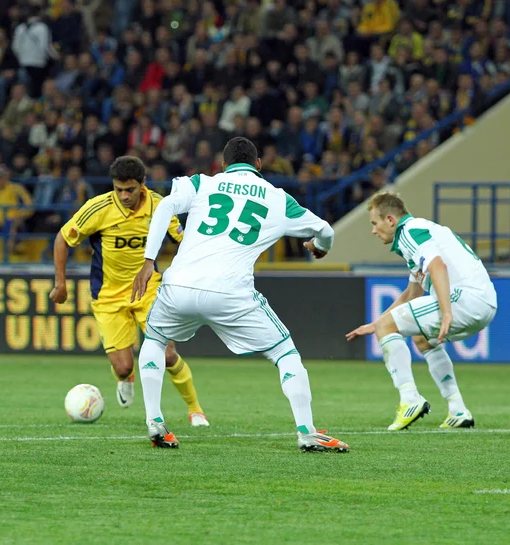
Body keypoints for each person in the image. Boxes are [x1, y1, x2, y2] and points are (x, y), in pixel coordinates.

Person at [131, 137, 350, 452]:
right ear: (259, 165)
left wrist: (149, 260)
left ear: (222, 165)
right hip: (230, 292)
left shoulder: (201, 183)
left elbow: (164, 205)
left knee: (153, 340)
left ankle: (154, 420)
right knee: (285, 353)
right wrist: (318, 248)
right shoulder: (278, 199)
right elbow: (326, 230)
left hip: (178, 285)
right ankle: (307, 431)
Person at [49, 156, 209, 427]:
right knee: (122, 366)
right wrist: (60, 283)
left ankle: (196, 410)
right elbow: (63, 238)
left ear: (142, 184)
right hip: (108, 295)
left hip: (149, 291)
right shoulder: (97, 208)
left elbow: (186, 239)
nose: (123, 196)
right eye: (118, 189)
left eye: (130, 190)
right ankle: (126, 378)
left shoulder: (160, 205)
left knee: (168, 354)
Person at [346, 191, 497, 430]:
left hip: (465, 299)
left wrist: (447, 311)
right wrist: (377, 323)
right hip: (485, 302)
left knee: (390, 327)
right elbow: (411, 295)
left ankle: (410, 399)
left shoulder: (410, 232)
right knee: (421, 337)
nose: (373, 230)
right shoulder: (420, 234)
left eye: (375, 223)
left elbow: (438, 266)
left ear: (390, 220)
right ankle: (458, 409)